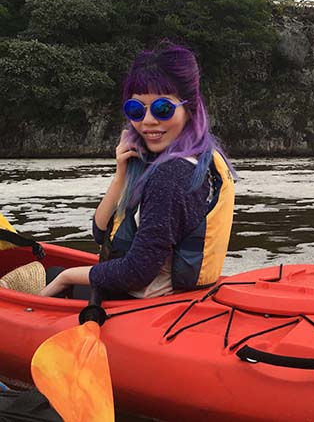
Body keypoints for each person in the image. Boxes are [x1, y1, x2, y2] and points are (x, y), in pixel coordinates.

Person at [39, 43, 236, 299]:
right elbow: (100, 233)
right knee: (54, 272)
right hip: (165, 295)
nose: (148, 121)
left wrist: (66, 277)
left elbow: (137, 272)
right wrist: (122, 171)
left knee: (55, 274)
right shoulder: (199, 159)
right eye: (136, 109)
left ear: (190, 108)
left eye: (162, 108)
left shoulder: (172, 175)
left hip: (142, 301)